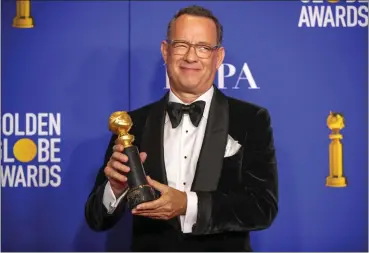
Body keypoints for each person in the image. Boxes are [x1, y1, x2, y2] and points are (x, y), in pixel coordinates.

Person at [85, 5, 278, 252]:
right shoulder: (132, 124)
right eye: (181, 45)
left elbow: (262, 208)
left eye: (203, 47)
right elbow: (96, 219)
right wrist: (115, 188)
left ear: (218, 57)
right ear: (166, 51)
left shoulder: (251, 119)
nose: (190, 56)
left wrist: (188, 204)